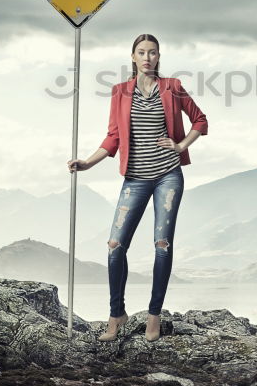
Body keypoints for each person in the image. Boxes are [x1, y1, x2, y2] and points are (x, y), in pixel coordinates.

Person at [67, 34, 208, 342]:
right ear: (132, 57)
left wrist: (180, 144)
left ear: (159, 57)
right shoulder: (120, 92)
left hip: (168, 176)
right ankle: (116, 314)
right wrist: (88, 163)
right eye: (142, 52)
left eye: (153, 53)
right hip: (134, 179)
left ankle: (154, 316)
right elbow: (113, 137)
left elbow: (200, 120)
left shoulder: (172, 87)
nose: (147, 57)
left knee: (162, 244)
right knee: (116, 245)